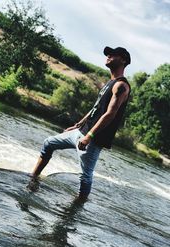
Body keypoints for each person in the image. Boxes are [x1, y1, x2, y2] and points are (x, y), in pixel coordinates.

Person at [27, 46, 131, 200]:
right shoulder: (109, 83)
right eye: (107, 54)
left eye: (113, 54)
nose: (108, 55)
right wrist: (78, 125)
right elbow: (96, 108)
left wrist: (89, 136)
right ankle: (33, 178)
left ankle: (78, 205)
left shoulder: (121, 85)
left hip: (93, 139)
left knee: (85, 175)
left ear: (123, 59)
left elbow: (110, 114)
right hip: (81, 131)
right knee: (48, 143)